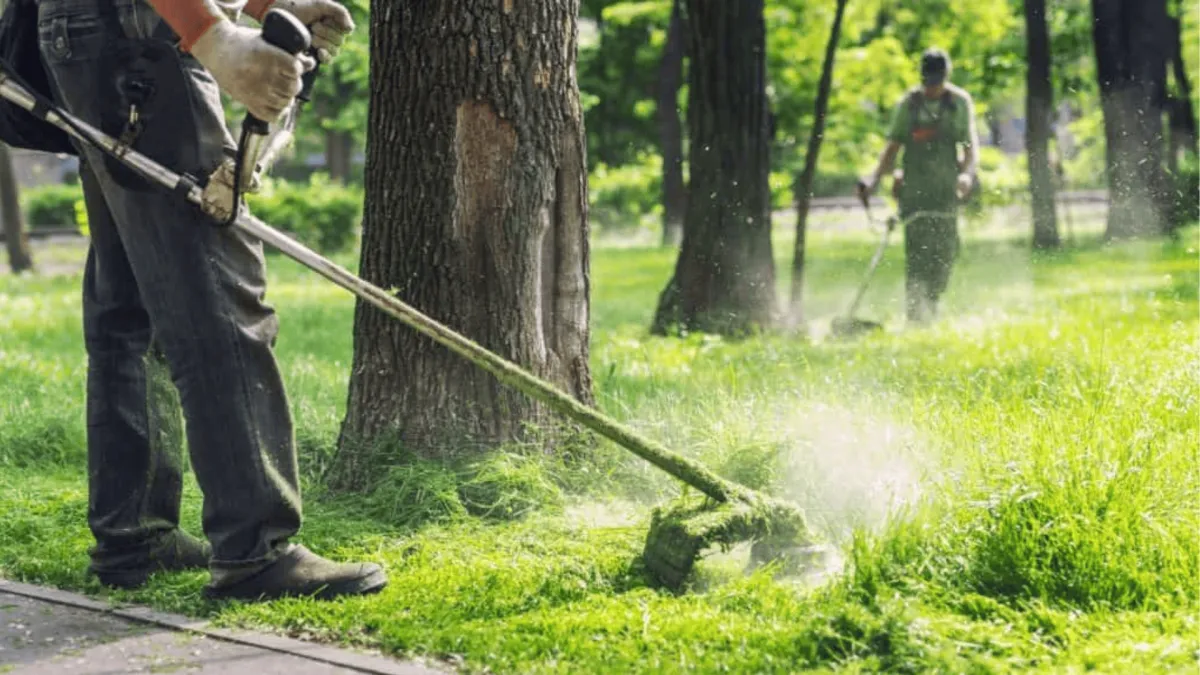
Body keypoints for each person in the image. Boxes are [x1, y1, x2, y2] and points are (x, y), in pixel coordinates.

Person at [34, 0, 387, 601]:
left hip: (96, 30)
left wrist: (261, 7)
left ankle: (134, 536)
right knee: (214, 288)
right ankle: (256, 550)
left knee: (134, 297)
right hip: (136, 31)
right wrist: (212, 34)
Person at [857, 47, 979, 324]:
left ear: (946, 77)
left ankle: (931, 303)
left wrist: (967, 176)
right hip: (914, 190)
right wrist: (873, 180)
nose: (932, 87)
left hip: (946, 189)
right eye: (928, 81)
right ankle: (916, 316)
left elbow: (971, 147)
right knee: (917, 253)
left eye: (936, 81)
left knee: (945, 252)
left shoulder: (959, 103)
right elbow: (892, 147)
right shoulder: (909, 104)